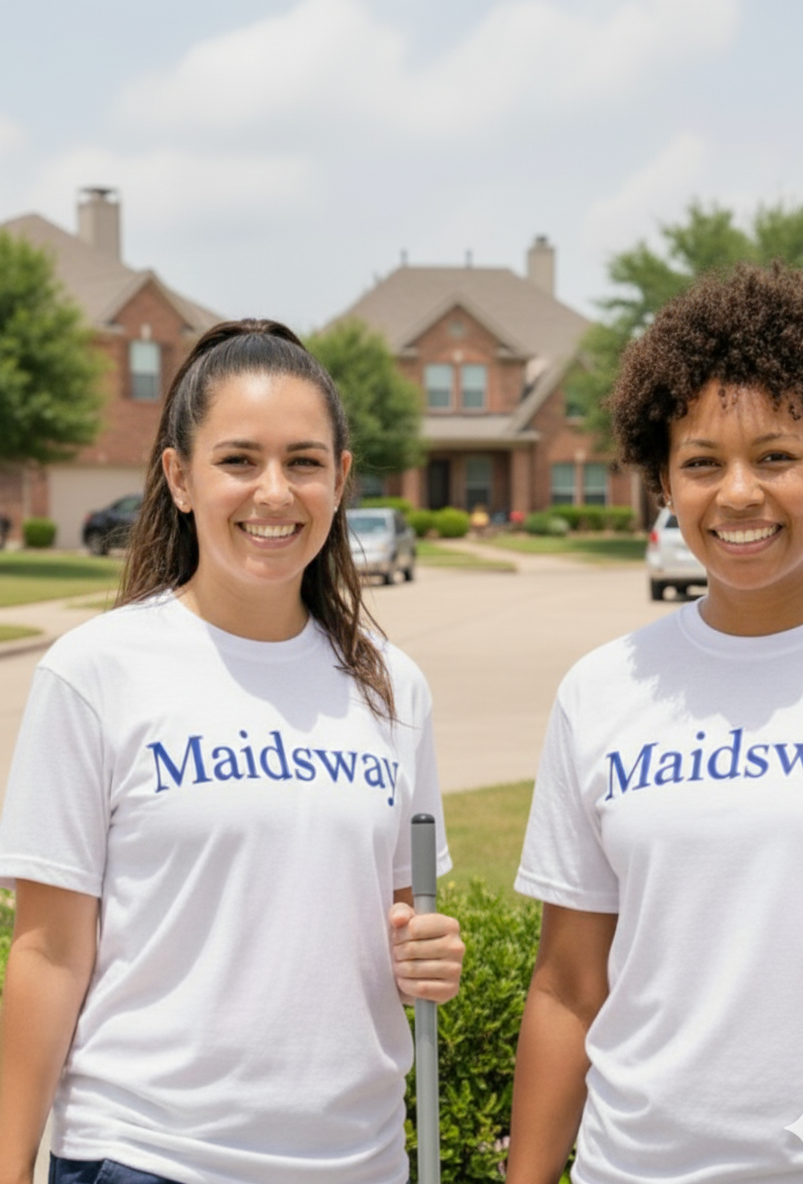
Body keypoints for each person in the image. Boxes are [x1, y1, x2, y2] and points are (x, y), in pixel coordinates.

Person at [0, 319, 464, 1184]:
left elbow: (404, 918)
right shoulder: (96, 673)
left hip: (355, 1162)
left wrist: (429, 954)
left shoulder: (392, 688)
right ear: (180, 476)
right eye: (239, 460)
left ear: (342, 479)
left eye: (304, 462)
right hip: (146, 1156)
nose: (275, 492)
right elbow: (48, 953)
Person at [507, 262, 803, 1184]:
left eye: (776, 457)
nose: (737, 493)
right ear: (664, 482)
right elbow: (568, 988)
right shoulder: (602, 690)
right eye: (702, 462)